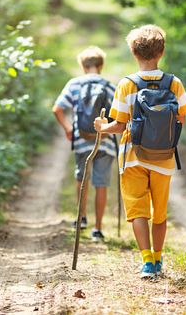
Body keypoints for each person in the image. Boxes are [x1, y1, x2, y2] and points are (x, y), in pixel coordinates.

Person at [94, 25, 186, 278]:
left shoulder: (127, 85)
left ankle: (147, 261)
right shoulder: (174, 83)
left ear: (133, 53)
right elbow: (182, 118)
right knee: (159, 213)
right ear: (162, 52)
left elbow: (119, 124)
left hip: (133, 156)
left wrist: (102, 128)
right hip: (164, 158)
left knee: (138, 210)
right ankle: (159, 259)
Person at [53, 46, 117, 242]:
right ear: (101, 65)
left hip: (81, 140)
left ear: (82, 65)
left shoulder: (74, 84)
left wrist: (68, 129)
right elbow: (120, 113)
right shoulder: (108, 85)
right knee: (102, 183)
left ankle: (81, 218)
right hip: (104, 141)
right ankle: (97, 229)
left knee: (82, 178)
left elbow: (57, 109)